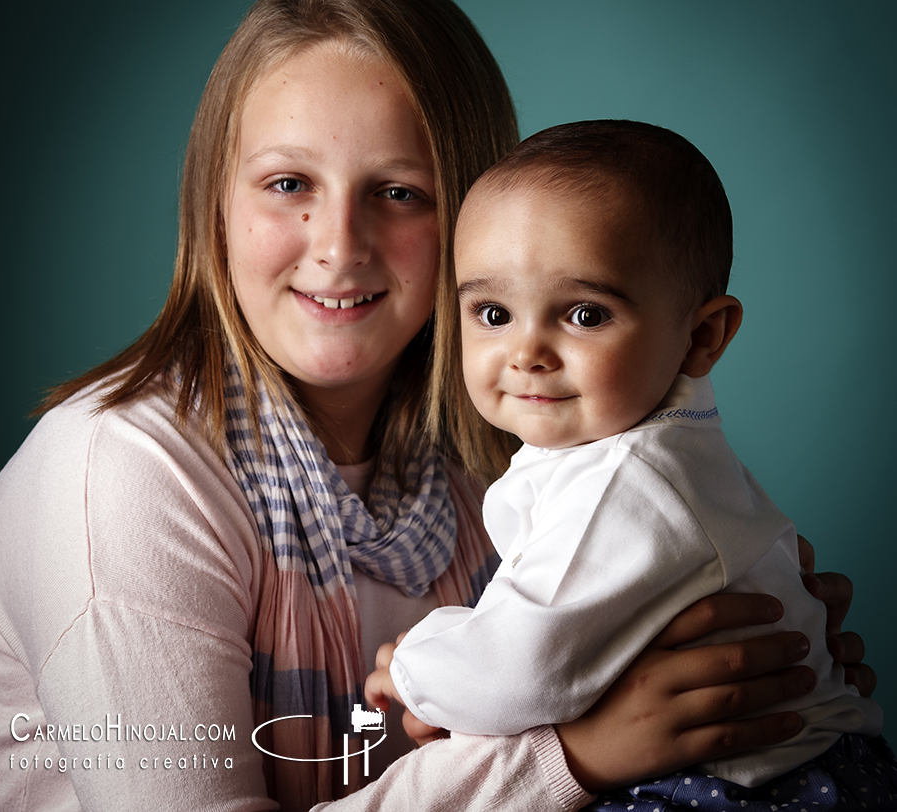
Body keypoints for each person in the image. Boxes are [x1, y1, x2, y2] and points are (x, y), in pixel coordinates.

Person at [0, 0, 874, 812]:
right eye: (289, 183)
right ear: (215, 205)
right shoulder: (119, 472)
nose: (339, 244)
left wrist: (744, 649)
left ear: (480, 221)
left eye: (400, 191)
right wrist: (574, 757)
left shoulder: (505, 462)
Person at [365, 120, 895, 808]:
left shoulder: (631, 479)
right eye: (493, 312)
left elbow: (524, 669)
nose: (527, 351)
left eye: (585, 314)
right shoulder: (661, 444)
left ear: (701, 336)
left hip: (734, 788)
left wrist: (416, 664)